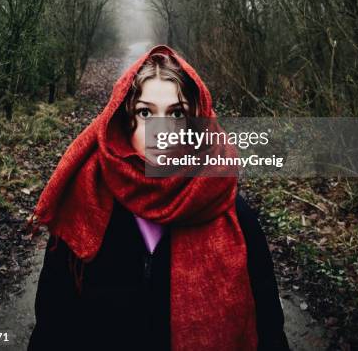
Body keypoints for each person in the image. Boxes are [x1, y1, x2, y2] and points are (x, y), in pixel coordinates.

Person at [27, 44, 290, 351]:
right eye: (145, 112)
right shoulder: (85, 206)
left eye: (176, 113)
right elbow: (52, 328)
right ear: (127, 121)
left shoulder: (233, 215)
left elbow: (269, 331)